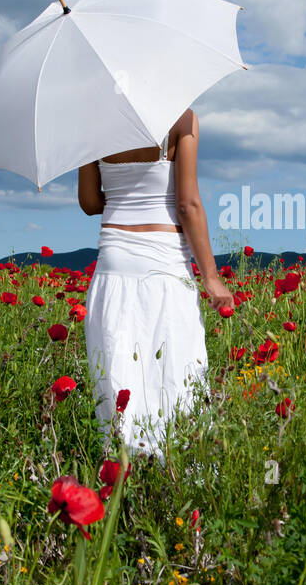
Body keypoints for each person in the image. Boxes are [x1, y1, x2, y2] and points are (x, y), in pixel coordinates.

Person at [77, 109, 234, 461]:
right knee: (175, 378)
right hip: (165, 264)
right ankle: (177, 482)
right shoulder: (182, 118)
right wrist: (211, 277)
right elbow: (187, 205)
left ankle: (123, 481)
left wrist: (124, 197)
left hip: (113, 263)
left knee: (119, 377)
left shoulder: (93, 119)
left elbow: (89, 202)